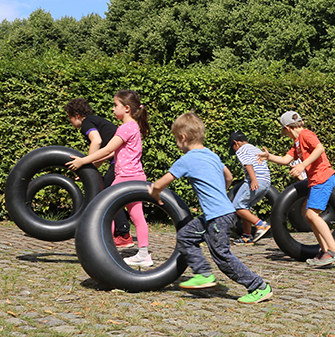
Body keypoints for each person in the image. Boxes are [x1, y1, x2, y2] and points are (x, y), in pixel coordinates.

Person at [148, 113, 273, 303]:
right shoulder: (211, 154)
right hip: (221, 213)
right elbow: (229, 176)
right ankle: (203, 274)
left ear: (182, 137)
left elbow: (159, 184)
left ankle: (259, 286)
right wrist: (220, 194)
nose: (176, 143)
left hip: (217, 216)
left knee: (222, 256)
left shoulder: (187, 160)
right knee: (186, 236)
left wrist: (155, 194)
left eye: (176, 139)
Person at [67, 90, 152, 268]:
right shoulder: (131, 127)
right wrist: (90, 167)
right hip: (133, 176)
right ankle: (143, 254)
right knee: (135, 216)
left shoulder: (126, 128)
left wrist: (83, 161)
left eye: (115, 105)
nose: (113, 109)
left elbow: (106, 150)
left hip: (127, 177)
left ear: (126, 108)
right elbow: (112, 153)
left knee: (104, 210)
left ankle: (103, 249)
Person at [259, 111, 335, 267]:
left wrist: (302, 165)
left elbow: (319, 148)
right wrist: (269, 157)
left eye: (282, 130)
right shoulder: (297, 143)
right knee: (309, 215)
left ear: (287, 128)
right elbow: (285, 160)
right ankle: (325, 252)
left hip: (322, 178)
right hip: (316, 180)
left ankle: (333, 250)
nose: (283, 133)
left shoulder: (305, 134)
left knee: (311, 214)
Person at [64, 98, 133, 248]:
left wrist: (84, 162)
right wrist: (90, 171)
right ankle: (117, 233)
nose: (69, 121)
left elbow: (96, 141)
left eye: (69, 117)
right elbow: (103, 153)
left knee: (107, 193)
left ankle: (123, 234)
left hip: (121, 159)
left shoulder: (87, 122)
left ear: (76, 115)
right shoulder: (94, 120)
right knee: (106, 191)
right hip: (120, 158)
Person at [226, 131, 272, 244]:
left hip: (256, 180)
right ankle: (247, 236)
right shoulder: (254, 148)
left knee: (236, 206)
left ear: (236, 143)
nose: (235, 150)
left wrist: (253, 179)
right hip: (266, 182)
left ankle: (261, 225)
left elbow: (248, 164)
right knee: (244, 207)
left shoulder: (242, 149)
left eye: (233, 148)